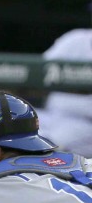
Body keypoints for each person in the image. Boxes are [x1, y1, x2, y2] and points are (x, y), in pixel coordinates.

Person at [35, 23, 92, 157]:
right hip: (52, 115)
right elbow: (37, 75)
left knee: (50, 144)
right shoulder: (76, 38)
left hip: (85, 124)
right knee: (8, 124)